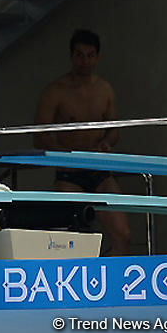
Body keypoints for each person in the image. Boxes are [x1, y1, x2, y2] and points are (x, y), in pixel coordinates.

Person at [34, 28, 130, 255]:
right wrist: (67, 155)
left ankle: (118, 285)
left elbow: (113, 131)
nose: (85, 61)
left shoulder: (104, 90)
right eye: (79, 55)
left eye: (90, 55)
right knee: (69, 242)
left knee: (123, 234)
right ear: (71, 56)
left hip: (99, 173)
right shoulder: (56, 91)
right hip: (69, 176)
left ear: (97, 57)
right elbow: (40, 136)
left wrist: (106, 144)